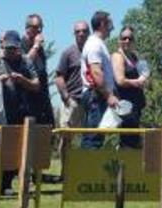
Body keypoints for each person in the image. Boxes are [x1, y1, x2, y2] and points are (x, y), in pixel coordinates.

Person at [80, 10, 115, 148]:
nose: (112, 27)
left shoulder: (98, 43)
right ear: (102, 24)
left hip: (98, 95)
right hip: (96, 96)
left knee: (96, 138)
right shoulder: (95, 44)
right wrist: (109, 96)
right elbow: (96, 72)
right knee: (93, 139)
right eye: (110, 23)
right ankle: (86, 169)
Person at [112, 26, 147, 148]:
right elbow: (120, 80)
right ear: (119, 40)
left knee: (134, 141)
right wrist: (137, 82)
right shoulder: (118, 56)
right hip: (124, 107)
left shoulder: (135, 58)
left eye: (130, 38)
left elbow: (144, 74)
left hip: (136, 106)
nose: (127, 41)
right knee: (127, 142)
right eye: (124, 38)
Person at [55, 21, 89, 132]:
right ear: (74, 34)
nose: (81, 34)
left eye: (84, 31)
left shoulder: (94, 51)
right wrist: (67, 98)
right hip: (73, 101)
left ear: (89, 33)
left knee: (89, 139)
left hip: (89, 103)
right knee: (66, 138)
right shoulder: (68, 53)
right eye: (78, 31)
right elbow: (59, 77)